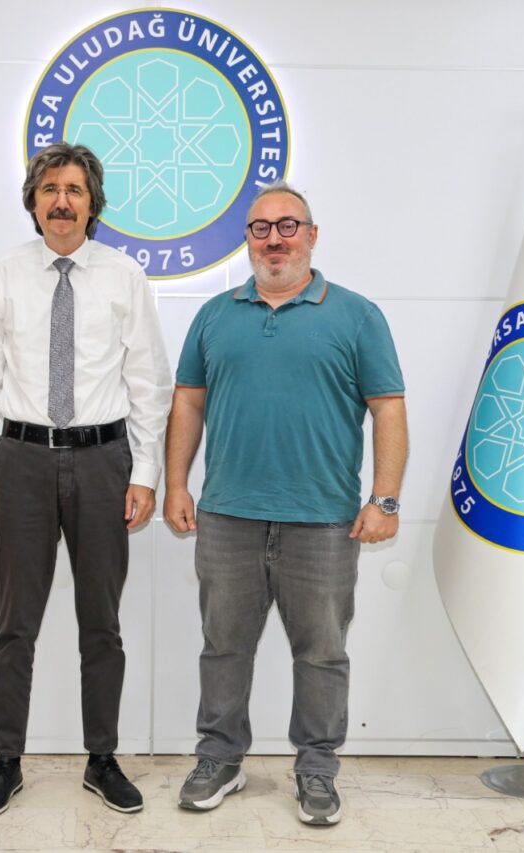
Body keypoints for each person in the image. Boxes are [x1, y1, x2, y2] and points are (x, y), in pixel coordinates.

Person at [163, 181, 408, 826]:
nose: (275, 239)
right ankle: (220, 759)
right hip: (227, 516)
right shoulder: (214, 316)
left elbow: (388, 409)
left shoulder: (357, 316)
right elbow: (188, 402)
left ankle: (317, 769)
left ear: (312, 235)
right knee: (223, 647)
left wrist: (384, 499)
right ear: (247, 240)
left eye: (288, 226)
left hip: (324, 521)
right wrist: (177, 484)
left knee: (322, 654)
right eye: (261, 228)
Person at [0, 143, 172, 817]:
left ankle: (102, 758)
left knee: (100, 623)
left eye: (74, 190)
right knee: (14, 624)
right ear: (33, 201)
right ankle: (6, 759)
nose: (61, 201)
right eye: (50, 189)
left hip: (103, 461)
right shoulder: (7, 272)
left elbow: (150, 382)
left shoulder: (123, 276)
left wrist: (145, 473)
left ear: (92, 203)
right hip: (21, 459)